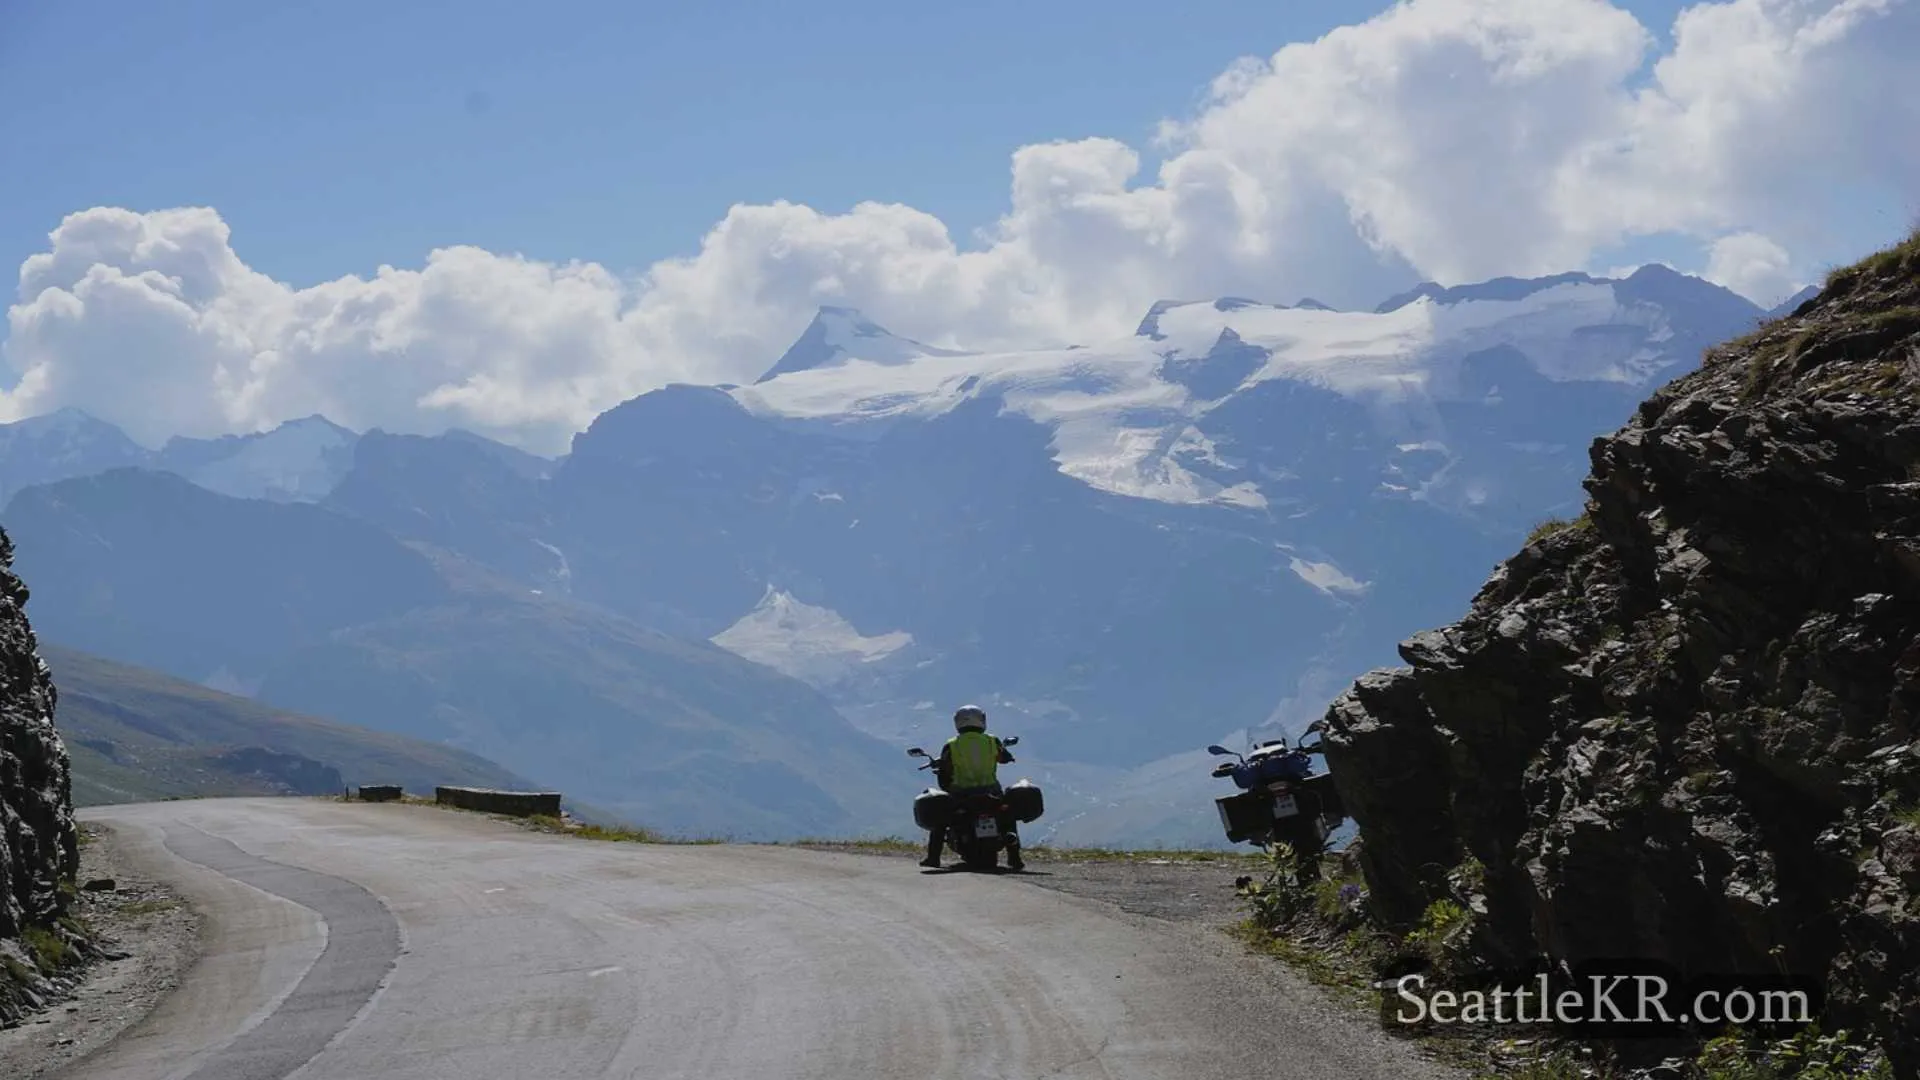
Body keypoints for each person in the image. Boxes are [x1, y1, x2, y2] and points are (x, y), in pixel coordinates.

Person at [922, 704, 1022, 870]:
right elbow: (1004, 757)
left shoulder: (952, 744)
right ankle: (1015, 858)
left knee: (942, 817)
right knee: (1008, 819)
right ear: (982, 720)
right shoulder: (992, 741)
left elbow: (946, 767)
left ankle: (933, 858)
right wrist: (1006, 756)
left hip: (961, 792)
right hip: (991, 791)